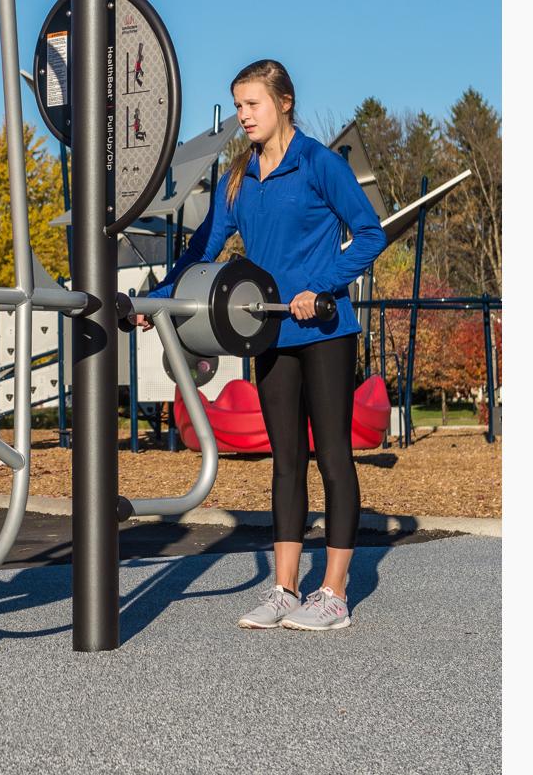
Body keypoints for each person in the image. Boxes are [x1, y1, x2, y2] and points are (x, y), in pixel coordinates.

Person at [140, 59, 385, 631]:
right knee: (285, 463)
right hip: (270, 332)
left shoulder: (320, 163)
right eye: (239, 104)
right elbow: (204, 246)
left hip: (325, 329)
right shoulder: (237, 177)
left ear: (284, 103)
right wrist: (162, 296)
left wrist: (319, 286)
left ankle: (334, 593)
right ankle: (284, 589)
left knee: (332, 456)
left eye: (252, 104)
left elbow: (370, 233)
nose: (243, 116)